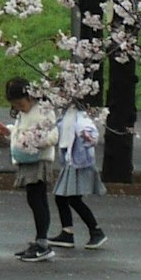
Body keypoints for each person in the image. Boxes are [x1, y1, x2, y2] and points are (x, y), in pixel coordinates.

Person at [5, 82, 61, 259]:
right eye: (14, 105)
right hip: (26, 159)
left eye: (20, 104)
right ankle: (40, 241)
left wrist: (34, 142)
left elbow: (53, 135)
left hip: (38, 159)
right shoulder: (24, 113)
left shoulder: (43, 110)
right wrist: (8, 131)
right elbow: (21, 132)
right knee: (35, 199)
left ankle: (42, 243)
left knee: (37, 200)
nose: (18, 108)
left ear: (30, 97)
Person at [51, 94, 107, 250]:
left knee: (70, 198)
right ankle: (69, 232)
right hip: (72, 161)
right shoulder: (67, 115)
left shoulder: (79, 117)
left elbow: (89, 132)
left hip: (78, 162)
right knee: (64, 198)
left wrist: (88, 137)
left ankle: (94, 231)